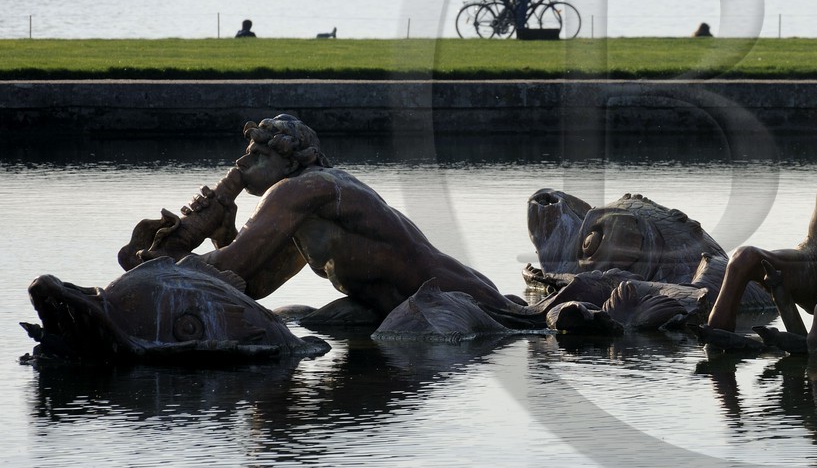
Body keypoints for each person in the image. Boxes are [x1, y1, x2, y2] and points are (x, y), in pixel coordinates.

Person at [143, 115, 532, 320]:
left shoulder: (300, 191)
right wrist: (223, 233)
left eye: (258, 156)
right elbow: (250, 283)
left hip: (462, 305)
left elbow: (227, 269)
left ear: (294, 160)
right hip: (430, 305)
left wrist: (168, 256)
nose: (241, 164)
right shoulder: (307, 211)